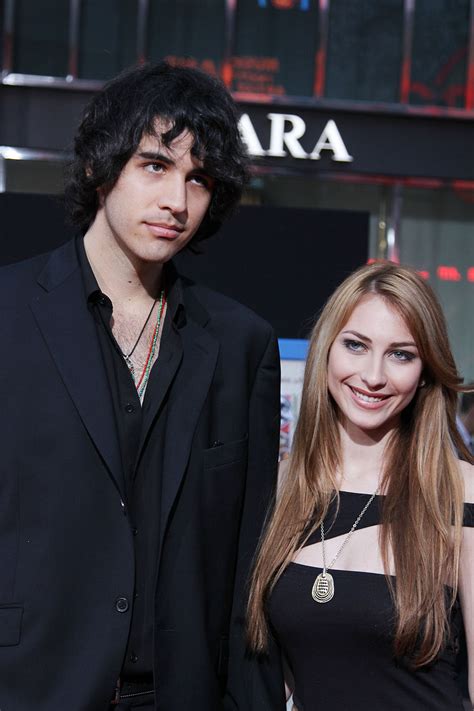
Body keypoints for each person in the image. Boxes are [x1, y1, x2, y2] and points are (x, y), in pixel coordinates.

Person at [0, 62, 285, 711]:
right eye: (155, 165)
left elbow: (248, 570)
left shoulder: (242, 345)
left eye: (199, 179)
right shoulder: (8, 313)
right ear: (103, 166)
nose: (177, 201)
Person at [248, 262, 474, 710]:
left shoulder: (459, 494)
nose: (373, 376)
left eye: (401, 355)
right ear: (327, 350)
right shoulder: (283, 487)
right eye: (356, 345)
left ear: (426, 371)